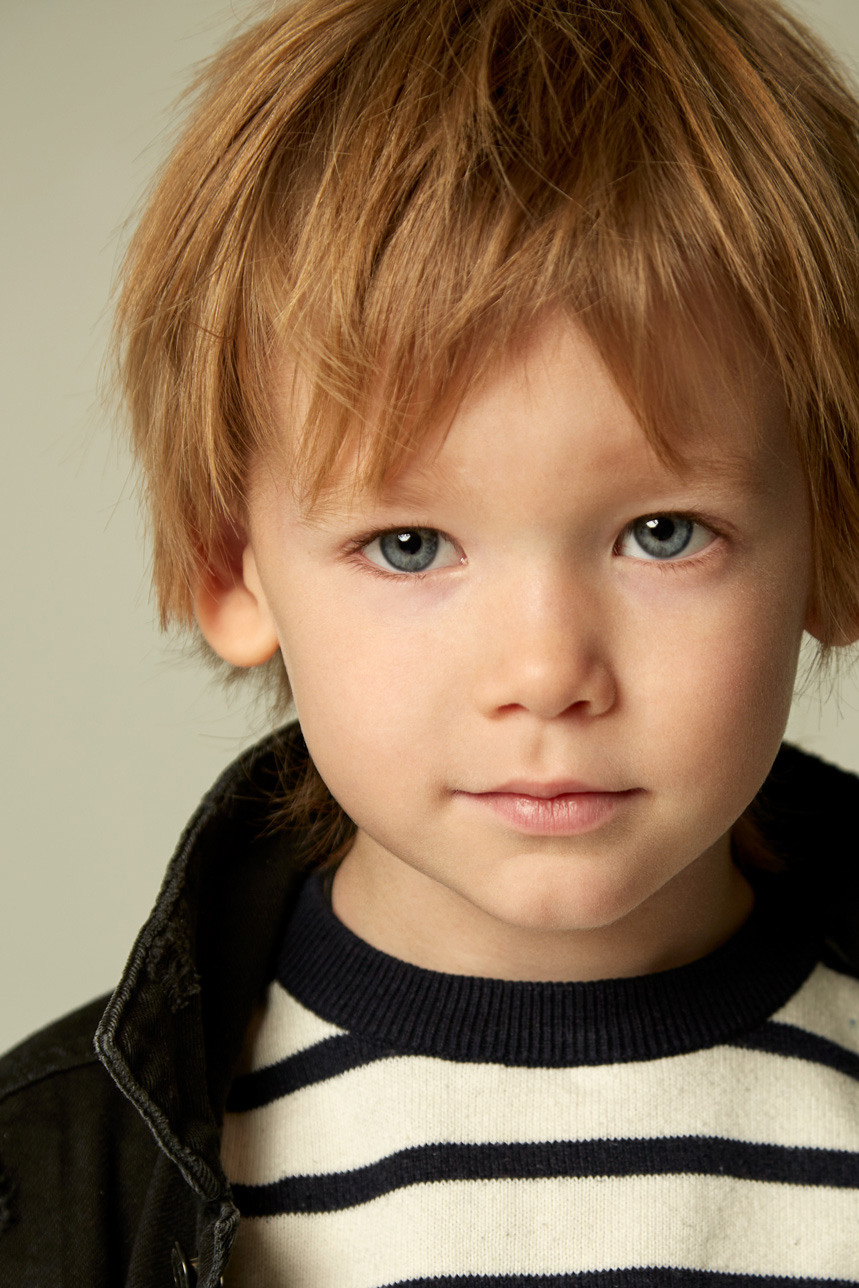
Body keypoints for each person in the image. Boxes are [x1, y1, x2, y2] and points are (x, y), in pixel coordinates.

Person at [3, 0, 859, 1283]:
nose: (544, 675)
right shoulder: (65, 1178)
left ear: (833, 540)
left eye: (664, 531)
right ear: (229, 567)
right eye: (410, 545)